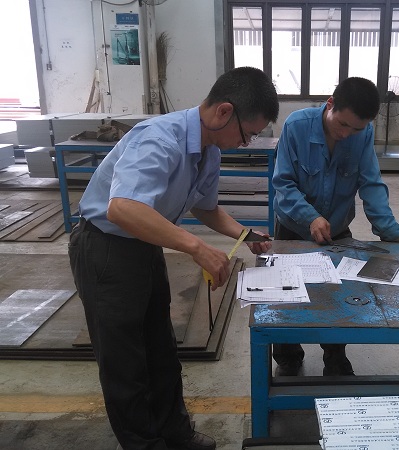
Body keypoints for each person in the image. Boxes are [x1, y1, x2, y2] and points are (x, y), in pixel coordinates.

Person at [68, 67, 278, 450]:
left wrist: (244, 235)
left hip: (144, 244)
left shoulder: (209, 151)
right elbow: (123, 208)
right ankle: (143, 443)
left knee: (161, 350)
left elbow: (206, 208)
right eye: (247, 133)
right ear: (224, 112)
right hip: (105, 247)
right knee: (124, 362)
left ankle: (175, 433)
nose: (246, 143)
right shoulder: (160, 138)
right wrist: (197, 248)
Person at [271, 76, 399, 377]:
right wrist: (310, 217)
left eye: (356, 129)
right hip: (292, 227)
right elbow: (283, 183)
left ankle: (335, 359)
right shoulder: (296, 126)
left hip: (336, 229)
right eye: (343, 124)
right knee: (287, 294)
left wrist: (390, 231)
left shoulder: (363, 135)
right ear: (330, 104)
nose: (347, 134)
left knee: (337, 294)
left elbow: (371, 184)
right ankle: (287, 356)